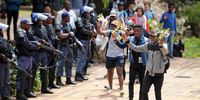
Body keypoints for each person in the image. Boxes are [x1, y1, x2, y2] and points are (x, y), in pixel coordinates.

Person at [123, 30, 168, 100]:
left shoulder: (163, 45)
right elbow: (136, 48)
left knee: (158, 94)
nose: (151, 38)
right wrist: (127, 41)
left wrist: (161, 46)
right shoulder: (148, 45)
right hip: (149, 74)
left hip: (158, 75)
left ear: (158, 37)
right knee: (144, 92)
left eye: (153, 36)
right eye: (150, 36)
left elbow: (165, 52)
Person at [97, 20, 125, 96]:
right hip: (110, 55)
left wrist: (123, 29)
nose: (113, 27)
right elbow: (100, 32)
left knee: (119, 72)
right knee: (110, 72)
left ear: (118, 27)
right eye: (112, 25)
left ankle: (121, 89)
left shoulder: (121, 33)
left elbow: (126, 38)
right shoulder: (109, 32)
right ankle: (111, 88)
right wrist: (99, 26)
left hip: (119, 55)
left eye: (115, 25)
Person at [15, 19, 40, 99]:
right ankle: (20, 94)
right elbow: (26, 44)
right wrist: (35, 47)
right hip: (23, 57)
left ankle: (26, 92)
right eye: (27, 24)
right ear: (22, 24)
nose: (29, 26)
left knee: (28, 75)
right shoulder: (20, 32)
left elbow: (30, 40)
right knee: (22, 76)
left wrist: (36, 43)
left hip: (28, 56)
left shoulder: (26, 32)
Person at [31, 13, 53, 94]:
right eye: (40, 20)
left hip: (44, 52)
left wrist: (51, 46)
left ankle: (44, 88)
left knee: (44, 70)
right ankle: (31, 90)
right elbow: (31, 37)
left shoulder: (44, 28)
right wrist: (40, 40)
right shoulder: (32, 28)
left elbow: (46, 38)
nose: (41, 21)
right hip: (36, 52)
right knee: (34, 70)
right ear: (36, 20)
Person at [127, 24, 148, 100]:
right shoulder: (131, 39)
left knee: (142, 82)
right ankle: (130, 97)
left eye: (137, 31)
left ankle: (141, 97)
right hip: (133, 63)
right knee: (131, 81)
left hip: (142, 64)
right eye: (135, 31)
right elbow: (123, 43)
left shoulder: (146, 40)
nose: (136, 32)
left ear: (141, 31)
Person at [56, 12, 77, 86]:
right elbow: (60, 35)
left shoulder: (69, 24)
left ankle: (68, 79)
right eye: (68, 17)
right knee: (61, 63)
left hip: (70, 46)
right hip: (63, 47)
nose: (69, 18)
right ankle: (58, 79)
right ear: (64, 18)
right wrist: (68, 34)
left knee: (70, 63)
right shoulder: (60, 25)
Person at [75, 6, 95, 81]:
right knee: (81, 58)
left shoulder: (86, 20)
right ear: (84, 13)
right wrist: (90, 33)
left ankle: (82, 73)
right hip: (82, 40)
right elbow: (82, 29)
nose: (89, 14)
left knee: (86, 58)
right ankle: (78, 75)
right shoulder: (79, 19)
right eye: (88, 13)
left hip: (87, 40)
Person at [43, 13, 60, 89]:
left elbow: (53, 36)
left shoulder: (50, 26)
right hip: (47, 50)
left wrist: (56, 48)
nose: (52, 19)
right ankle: (46, 85)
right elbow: (47, 39)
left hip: (53, 49)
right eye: (50, 18)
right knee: (47, 68)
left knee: (53, 67)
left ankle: (51, 83)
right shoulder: (43, 28)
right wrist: (52, 48)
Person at [0, 23, 12, 100]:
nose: (3, 31)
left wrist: (11, 57)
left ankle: (5, 96)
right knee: (0, 81)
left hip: (6, 62)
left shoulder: (4, 39)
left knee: (6, 81)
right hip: (0, 63)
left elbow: (9, 50)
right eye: (2, 30)